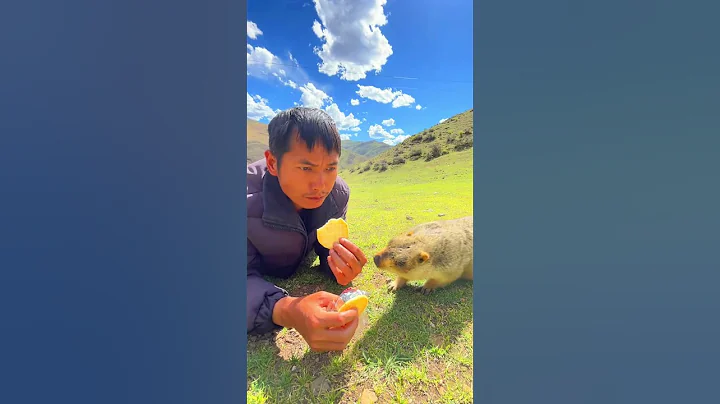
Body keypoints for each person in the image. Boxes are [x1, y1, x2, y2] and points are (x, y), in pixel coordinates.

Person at [246, 107, 369, 352]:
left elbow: (326, 250)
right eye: (306, 168)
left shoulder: (337, 194)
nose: (320, 185)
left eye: (330, 168)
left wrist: (338, 267)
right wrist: (288, 310)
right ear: (272, 162)